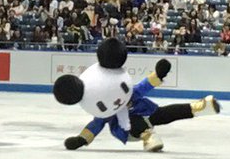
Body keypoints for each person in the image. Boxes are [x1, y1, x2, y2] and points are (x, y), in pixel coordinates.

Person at [54, 38, 221, 153]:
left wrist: (158, 74)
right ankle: (149, 137)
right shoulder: (107, 113)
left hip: (146, 111)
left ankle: (200, 107)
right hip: (128, 130)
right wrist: (81, 139)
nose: (118, 99)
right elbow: (96, 125)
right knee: (136, 122)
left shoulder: (130, 94)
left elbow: (143, 87)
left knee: (166, 113)